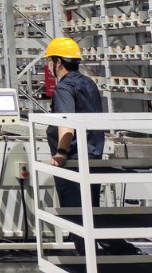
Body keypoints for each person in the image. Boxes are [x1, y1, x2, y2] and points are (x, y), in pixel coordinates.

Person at [44, 37, 136, 256]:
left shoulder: (64, 88)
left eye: (49, 61)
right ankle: (115, 252)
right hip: (92, 156)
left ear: (58, 62)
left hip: (72, 160)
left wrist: (61, 152)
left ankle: (91, 260)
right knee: (91, 210)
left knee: (76, 214)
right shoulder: (89, 83)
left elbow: (67, 124)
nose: (48, 65)